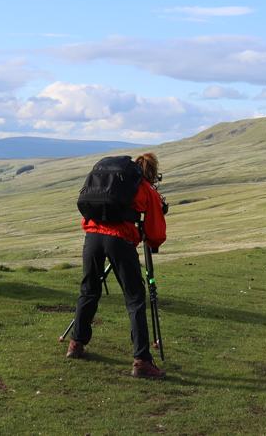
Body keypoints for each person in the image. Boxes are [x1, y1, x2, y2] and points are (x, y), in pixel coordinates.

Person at [67, 153, 167, 379]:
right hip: (119, 239)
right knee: (135, 298)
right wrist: (151, 242)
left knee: (89, 290)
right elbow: (155, 232)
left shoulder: (113, 180)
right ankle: (142, 360)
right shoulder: (143, 188)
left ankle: (76, 343)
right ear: (151, 171)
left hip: (92, 236)